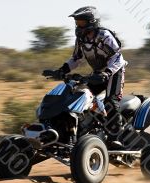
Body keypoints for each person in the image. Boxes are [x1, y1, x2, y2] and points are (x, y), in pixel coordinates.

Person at [43, 6, 128, 144]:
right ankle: (82, 130)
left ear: (92, 22)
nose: (78, 26)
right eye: (77, 23)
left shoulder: (104, 36)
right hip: (98, 73)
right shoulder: (81, 39)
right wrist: (61, 70)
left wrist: (107, 73)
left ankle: (116, 138)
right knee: (79, 96)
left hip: (114, 72)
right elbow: (76, 59)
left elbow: (117, 58)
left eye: (81, 23)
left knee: (111, 102)